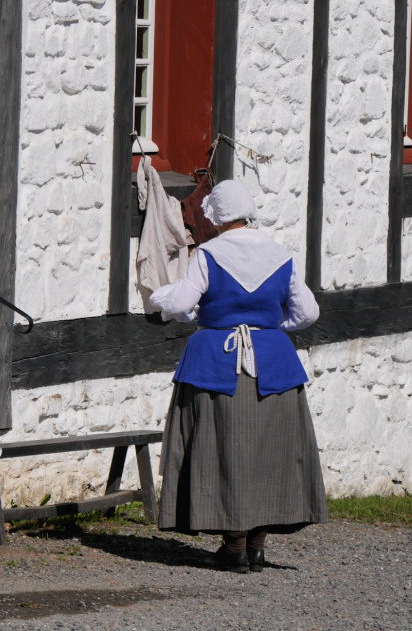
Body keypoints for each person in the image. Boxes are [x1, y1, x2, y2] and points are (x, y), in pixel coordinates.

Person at [149, 179, 327, 573]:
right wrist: (268, 324)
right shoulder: (281, 255)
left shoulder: (208, 254)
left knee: (224, 450)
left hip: (218, 364)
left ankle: (235, 547)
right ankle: (257, 546)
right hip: (274, 363)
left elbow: (181, 301)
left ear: (218, 215)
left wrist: (159, 298)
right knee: (268, 454)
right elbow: (308, 314)